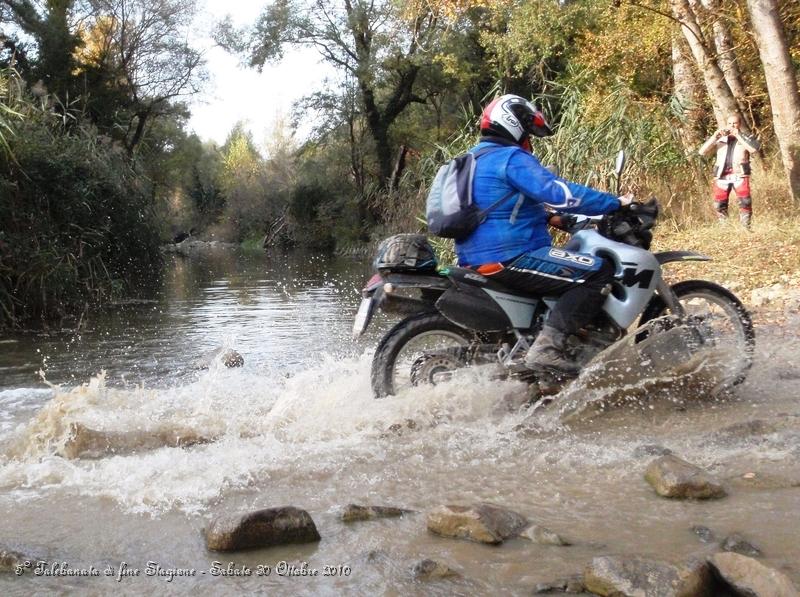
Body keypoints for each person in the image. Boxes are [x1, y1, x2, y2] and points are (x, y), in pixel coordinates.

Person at [456, 94, 633, 376]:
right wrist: (613, 203)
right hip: (512, 255)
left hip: (474, 258)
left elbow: (500, 208)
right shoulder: (510, 157)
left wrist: (551, 218)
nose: (530, 140)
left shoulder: (473, 160)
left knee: (567, 269)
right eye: (528, 132)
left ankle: (539, 347)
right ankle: (547, 349)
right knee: (598, 271)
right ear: (514, 124)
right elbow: (557, 192)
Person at [698, 114, 760, 229]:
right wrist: (714, 137)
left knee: (745, 201)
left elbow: (753, 150)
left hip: (740, 174)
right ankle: (724, 227)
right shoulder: (720, 139)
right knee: (720, 203)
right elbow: (702, 152)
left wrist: (738, 136)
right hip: (721, 175)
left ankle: (745, 227)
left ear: (739, 124)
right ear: (726, 125)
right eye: (730, 123)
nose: (732, 126)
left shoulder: (747, 137)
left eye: (735, 123)